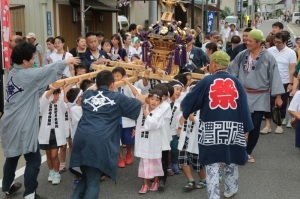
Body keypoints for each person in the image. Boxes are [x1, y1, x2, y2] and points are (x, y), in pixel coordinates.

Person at [1, 41, 79, 199]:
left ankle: (7, 185)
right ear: (24, 61)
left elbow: (38, 79)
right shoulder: (26, 75)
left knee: (13, 155)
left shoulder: (12, 72)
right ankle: (30, 194)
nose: (34, 61)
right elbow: (44, 71)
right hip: (23, 123)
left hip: (9, 121)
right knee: (34, 159)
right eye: (32, 58)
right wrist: (65, 62)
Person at [180, 51, 254, 199]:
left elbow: (189, 101)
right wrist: (246, 128)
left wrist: (186, 108)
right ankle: (230, 189)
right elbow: (244, 106)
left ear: (214, 63)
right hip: (233, 127)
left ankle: (213, 195)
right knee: (231, 158)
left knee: (212, 162)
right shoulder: (236, 82)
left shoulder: (207, 81)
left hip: (211, 128)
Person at [69, 70, 143, 198]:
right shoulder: (118, 97)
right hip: (99, 140)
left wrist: (99, 86)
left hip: (81, 138)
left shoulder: (87, 95)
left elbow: (90, 89)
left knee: (85, 177)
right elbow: (137, 103)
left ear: (97, 83)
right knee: (93, 182)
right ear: (112, 83)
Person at [228, 29, 285, 163]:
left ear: (259, 42)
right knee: (239, 123)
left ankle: (248, 151)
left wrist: (278, 97)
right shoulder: (242, 55)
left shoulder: (268, 57)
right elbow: (231, 71)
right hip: (242, 94)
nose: (247, 43)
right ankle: (238, 149)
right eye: (246, 40)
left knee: (255, 124)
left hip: (260, 96)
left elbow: (275, 77)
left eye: (250, 41)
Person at [260, 32, 297, 134]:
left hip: (284, 81)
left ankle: (279, 125)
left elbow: (292, 69)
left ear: (285, 42)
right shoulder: (269, 51)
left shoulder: (291, 53)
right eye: (275, 42)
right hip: (270, 81)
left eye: (279, 42)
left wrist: (291, 83)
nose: (276, 44)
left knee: (282, 104)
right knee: (268, 103)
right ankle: (268, 125)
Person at [135, 89, 165, 193]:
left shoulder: (160, 112)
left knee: (155, 161)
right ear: (148, 99)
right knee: (145, 162)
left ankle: (155, 182)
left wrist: (144, 111)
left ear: (160, 102)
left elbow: (152, 124)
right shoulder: (144, 107)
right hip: (144, 140)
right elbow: (139, 123)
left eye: (157, 100)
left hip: (154, 141)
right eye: (152, 99)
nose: (153, 102)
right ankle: (145, 184)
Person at [178, 82, 206, 191]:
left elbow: (201, 122)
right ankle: (190, 180)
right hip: (185, 136)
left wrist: (188, 114)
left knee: (196, 162)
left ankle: (203, 179)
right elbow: (179, 120)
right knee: (183, 158)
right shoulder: (185, 106)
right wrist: (179, 125)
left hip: (196, 139)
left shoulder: (203, 107)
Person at [112, 67, 140, 168]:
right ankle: (120, 157)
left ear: (123, 77)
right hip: (116, 119)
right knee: (118, 139)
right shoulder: (111, 87)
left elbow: (137, 94)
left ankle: (128, 153)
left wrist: (128, 83)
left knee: (128, 139)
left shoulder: (127, 87)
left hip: (128, 118)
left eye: (118, 76)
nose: (115, 78)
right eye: (114, 76)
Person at [39, 85, 67, 185]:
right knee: (48, 154)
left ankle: (56, 173)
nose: (56, 96)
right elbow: (45, 98)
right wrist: (52, 91)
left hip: (56, 133)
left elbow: (65, 106)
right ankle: (51, 172)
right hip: (46, 132)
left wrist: (62, 92)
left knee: (54, 154)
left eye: (57, 94)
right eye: (54, 94)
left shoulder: (60, 104)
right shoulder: (44, 104)